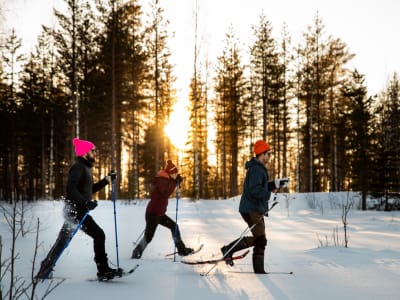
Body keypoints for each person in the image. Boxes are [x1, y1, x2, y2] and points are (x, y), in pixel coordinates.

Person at [35, 137, 118, 280]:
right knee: (98, 235)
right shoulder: (78, 167)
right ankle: (103, 270)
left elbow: (88, 189)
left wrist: (106, 180)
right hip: (76, 210)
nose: (94, 153)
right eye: (92, 151)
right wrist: (85, 203)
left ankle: (45, 268)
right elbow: (71, 188)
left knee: (63, 241)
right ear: (85, 152)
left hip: (77, 209)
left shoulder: (85, 167)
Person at [220, 140, 289, 273]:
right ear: (262, 154)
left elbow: (261, 187)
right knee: (260, 239)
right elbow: (255, 190)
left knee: (260, 239)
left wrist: (276, 184)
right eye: (268, 154)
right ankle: (230, 250)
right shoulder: (256, 169)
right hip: (251, 208)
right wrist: (271, 197)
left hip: (254, 208)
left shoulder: (258, 169)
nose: (270, 156)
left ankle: (233, 252)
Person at [131, 159, 193, 259]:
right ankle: (136, 253)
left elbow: (167, 190)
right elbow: (165, 193)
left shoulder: (166, 180)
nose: (176, 175)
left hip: (159, 214)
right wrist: (174, 182)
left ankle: (182, 250)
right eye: (175, 173)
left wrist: (174, 181)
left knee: (174, 227)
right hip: (153, 214)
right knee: (149, 236)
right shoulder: (161, 180)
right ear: (171, 173)